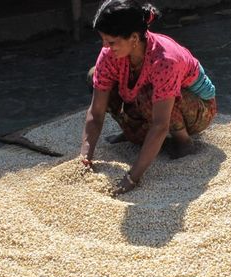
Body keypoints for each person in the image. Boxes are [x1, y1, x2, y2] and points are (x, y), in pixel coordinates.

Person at [79, 0, 217, 195]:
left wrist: (132, 177)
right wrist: (85, 159)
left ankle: (183, 142)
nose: (105, 47)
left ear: (134, 38)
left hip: (197, 107)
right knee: (95, 76)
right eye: (103, 40)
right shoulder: (110, 54)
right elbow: (96, 112)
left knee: (148, 95)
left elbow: (160, 124)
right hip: (150, 102)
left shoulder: (165, 60)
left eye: (111, 42)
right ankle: (131, 129)